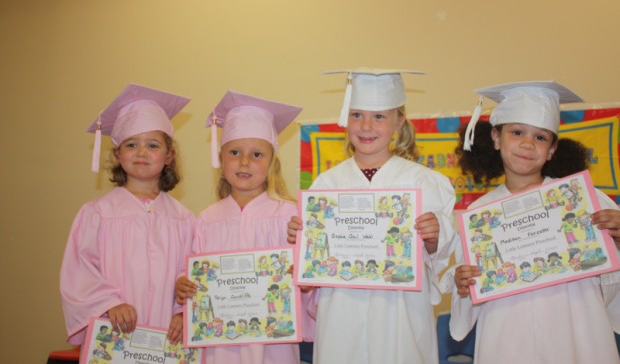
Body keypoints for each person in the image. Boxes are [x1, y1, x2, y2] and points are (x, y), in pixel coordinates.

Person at [287, 68, 456, 364]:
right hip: (341, 312)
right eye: (357, 115)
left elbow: (437, 256)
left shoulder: (423, 182)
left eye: (379, 116)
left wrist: (434, 235)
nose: (366, 126)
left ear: (398, 122)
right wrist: (303, 247)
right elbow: (312, 273)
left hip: (400, 314)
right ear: (345, 119)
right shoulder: (326, 185)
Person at [445, 80, 620, 363]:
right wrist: (463, 283)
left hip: (575, 329)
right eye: (517, 132)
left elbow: (611, 281)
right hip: (506, 334)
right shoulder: (479, 215)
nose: (527, 144)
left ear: (551, 150)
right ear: (496, 138)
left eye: (540, 137)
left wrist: (617, 242)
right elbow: (472, 289)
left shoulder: (583, 201)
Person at [60, 84, 194, 347]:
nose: (142, 152)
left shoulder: (184, 219)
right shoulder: (97, 214)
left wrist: (182, 312)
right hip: (115, 332)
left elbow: (188, 273)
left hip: (166, 336)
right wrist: (109, 303)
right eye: (131, 144)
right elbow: (78, 272)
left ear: (168, 156)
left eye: (152, 145)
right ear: (118, 154)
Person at [175, 90, 304, 364]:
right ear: (221, 158)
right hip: (220, 344)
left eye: (257, 154)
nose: (245, 162)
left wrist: (301, 276)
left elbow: (306, 282)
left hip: (274, 345)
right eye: (234, 152)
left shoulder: (289, 215)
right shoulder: (208, 219)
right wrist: (185, 284)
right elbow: (195, 271)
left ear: (272, 162)